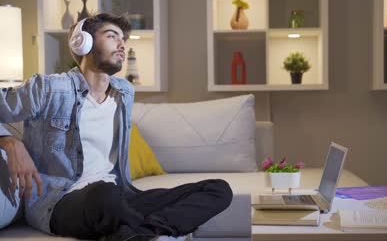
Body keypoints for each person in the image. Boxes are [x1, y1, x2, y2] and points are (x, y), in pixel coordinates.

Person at [0, 13, 233, 241]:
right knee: (104, 195)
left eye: (124, 39)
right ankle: (139, 229)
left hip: (119, 196)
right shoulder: (49, 88)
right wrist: (9, 141)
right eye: (112, 36)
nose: (122, 45)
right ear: (83, 43)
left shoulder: (124, 92)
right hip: (61, 201)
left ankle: (144, 231)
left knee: (219, 190)